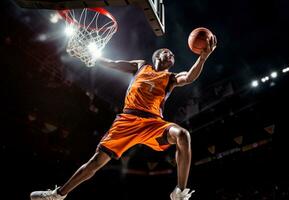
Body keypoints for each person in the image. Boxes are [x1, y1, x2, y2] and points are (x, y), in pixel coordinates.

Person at [30, 35, 217, 200]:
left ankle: (180, 192)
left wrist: (203, 57)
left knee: (183, 135)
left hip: (153, 122)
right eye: (167, 52)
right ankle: (58, 195)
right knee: (95, 162)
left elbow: (190, 77)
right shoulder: (141, 66)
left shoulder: (171, 78)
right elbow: (112, 63)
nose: (171, 55)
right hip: (127, 121)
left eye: (173, 56)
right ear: (158, 56)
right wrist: (89, 55)